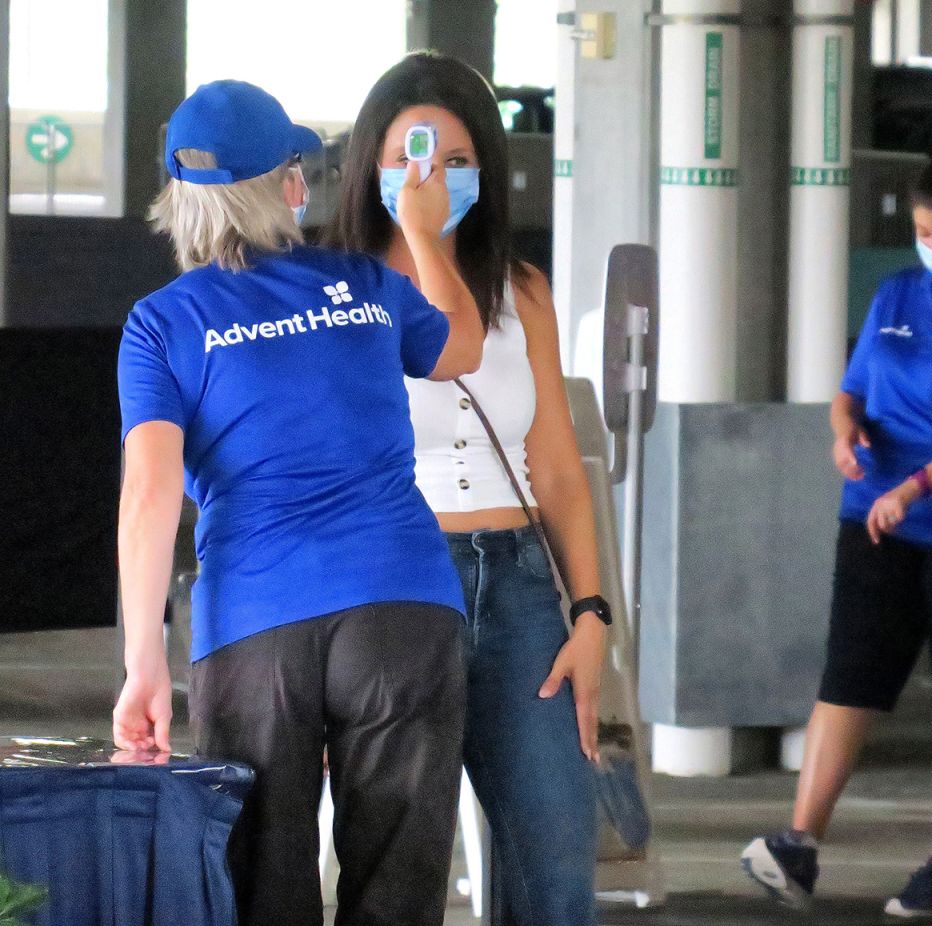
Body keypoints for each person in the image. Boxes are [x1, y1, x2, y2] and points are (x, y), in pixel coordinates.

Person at [112, 80, 485, 926]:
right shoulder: (361, 284)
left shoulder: (161, 325)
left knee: (260, 886)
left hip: (256, 623)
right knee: (398, 884)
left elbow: (149, 498)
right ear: (290, 186)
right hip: (401, 606)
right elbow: (461, 346)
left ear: (178, 199)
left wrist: (145, 665)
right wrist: (426, 238)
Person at [328, 52, 608, 926]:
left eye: (455, 161)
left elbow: (557, 464)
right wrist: (415, 237)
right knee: (399, 861)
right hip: (397, 582)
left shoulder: (521, 289)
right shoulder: (340, 292)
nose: (431, 178)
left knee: (555, 861)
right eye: (411, 155)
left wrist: (592, 612)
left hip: (518, 581)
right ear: (369, 163)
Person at [743, 140, 932, 917]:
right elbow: (852, 390)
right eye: (924, 229)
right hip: (874, 519)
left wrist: (919, 484)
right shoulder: (895, 295)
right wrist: (841, 434)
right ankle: (799, 842)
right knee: (849, 680)